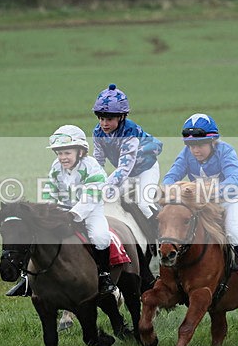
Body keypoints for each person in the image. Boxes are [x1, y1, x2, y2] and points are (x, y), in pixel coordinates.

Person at [161, 113, 238, 295]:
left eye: (200, 145)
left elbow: (237, 181)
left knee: (232, 231)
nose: (195, 150)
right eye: (191, 145)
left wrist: (208, 192)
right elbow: (170, 177)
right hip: (202, 205)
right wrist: (172, 190)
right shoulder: (186, 154)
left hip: (228, 202)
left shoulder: (226, 151)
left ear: (213, 141)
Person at [41, 124, 117, 296]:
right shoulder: (56, 167)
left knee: (100, 236)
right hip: (64, 210)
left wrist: (73, 214)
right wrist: (47, 211)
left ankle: (104, 275)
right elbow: (50, 190)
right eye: (59, 153)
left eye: (67, 153)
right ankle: (28, 277)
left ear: (80, 151)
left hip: (91, 211)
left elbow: (91, 196)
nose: (63, 158)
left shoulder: (92, 166)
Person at [92, 84, 163, 233]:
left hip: (146, 170)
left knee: (144, 204)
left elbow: (124, 167)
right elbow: (98, 161)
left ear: (121, 117)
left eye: (109, 119)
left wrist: (105, 186)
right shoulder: (98, 132)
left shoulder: (129, 132)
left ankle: (161, 233)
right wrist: (93, 181)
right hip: (128, 174)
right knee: (108, 199)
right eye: (101, 118)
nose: (104, 123)